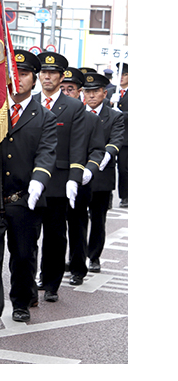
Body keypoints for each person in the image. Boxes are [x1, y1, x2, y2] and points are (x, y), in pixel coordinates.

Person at [0, 50, 57, 331]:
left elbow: (47, 152)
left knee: (22, 255)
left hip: (24, 197)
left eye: (24, 74)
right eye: (13, 74)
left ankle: (21, 302)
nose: (18, 80)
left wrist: (38, 180)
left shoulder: (43, 116)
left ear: (34, 79)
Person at [34, 52, 87, 303]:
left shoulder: (74, 106)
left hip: (58, 181)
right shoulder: (29, 102)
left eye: (52, 73)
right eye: (43, 72)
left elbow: (78, 144)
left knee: (55, 236)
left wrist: (74, 178)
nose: (47, 76)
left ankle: (52, 282)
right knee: (27, 235)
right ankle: (29, 282)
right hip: (30, 180)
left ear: (61, 76)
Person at [60, 67, 106, 285]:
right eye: (63, 88)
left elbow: (97, 149)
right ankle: (52, 270)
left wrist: (89, 168)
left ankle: (78, 268)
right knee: (53, 231)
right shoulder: (48, 114)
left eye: (71, 89)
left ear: (79, 92)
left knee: (77, 226)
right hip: (54, 181)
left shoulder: (90, 119)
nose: (67, 92)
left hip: (80, 181)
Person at [82, 71, 125, 274]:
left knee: (98, 219)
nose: (91, 95)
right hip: (78, 174)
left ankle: (94, 257)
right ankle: (77, 257)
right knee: (76, 220)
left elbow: (116, 141)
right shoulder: (76, 113)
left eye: (95, 91)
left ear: (104, 93)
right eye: (87, 91)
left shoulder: (115, 116)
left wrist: (103, 158)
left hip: (101, 175)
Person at [111, 62, 128, 208]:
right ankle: (107, 195)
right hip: (110, 136)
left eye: (125, 74)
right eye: (120, 74)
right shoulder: (111, 92)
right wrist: (110, 104)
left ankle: (125, 196)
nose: (121, 77)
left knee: (123, 168)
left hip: (126, 138)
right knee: (107, 166)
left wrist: (121, 114)